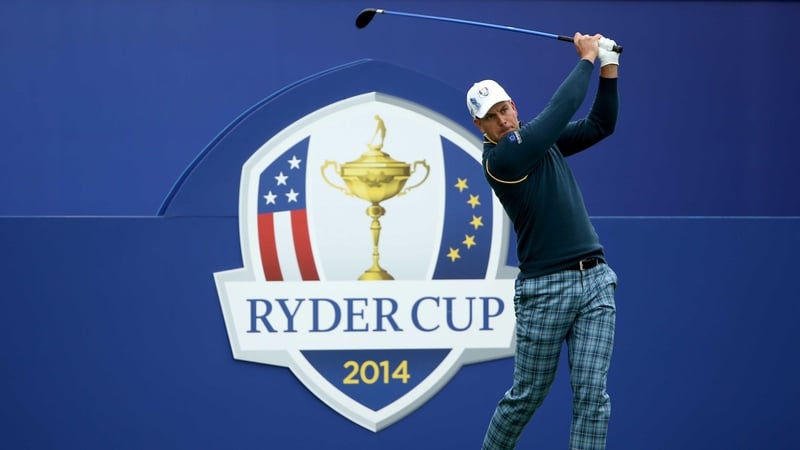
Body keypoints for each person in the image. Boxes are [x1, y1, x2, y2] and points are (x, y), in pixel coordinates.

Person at [467, 33, 620, 450]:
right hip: (544, 289)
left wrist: (609, 65)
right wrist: (587, 58)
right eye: (491, 117)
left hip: (595, 280)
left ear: (513, 105)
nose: (502, 119)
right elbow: (562, 109)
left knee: (593, 395)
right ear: (480, 126)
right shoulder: (502, 158)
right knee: (527, 395)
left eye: (504, 108)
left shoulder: (536, 141)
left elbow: (600, 125)